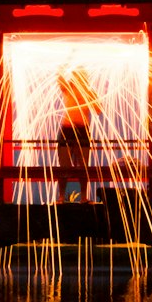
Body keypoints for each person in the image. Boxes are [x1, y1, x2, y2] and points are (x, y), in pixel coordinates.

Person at [57, 66, 99, 202]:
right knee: (64, 166)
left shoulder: (89, 92)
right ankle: (62, 197)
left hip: (81, 130)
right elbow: (59, 78)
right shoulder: (68, 88)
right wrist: (64, 62)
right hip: (67, 129)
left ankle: (84, 197)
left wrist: (92, 100)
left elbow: (98, 109)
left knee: (83, 166)